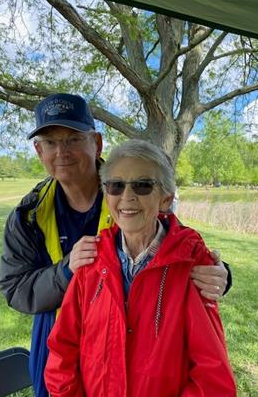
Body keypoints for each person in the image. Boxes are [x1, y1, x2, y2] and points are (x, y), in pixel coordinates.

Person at [0, 93, 232, 397]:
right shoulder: (27, 215)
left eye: (72, 139)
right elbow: (14, 289)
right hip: (58, 344)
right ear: (38, 150)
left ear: (97, 143)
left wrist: (220, 274)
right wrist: (67, 271)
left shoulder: (131, 177)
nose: (62, 152)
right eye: (51, 142)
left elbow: (176, 249)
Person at [44, 139, 236, 396]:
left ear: (165, 200)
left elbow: (212, 377)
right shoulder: (92, 261)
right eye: (116, 185)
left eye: (143, 185)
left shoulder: (190, 266)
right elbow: (62, 351)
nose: (127, 196)